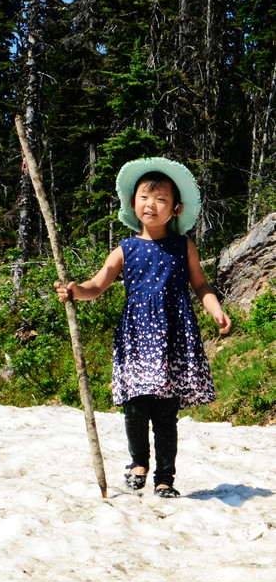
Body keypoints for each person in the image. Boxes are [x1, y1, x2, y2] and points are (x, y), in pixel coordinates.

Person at [55, 157, 231, 498]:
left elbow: (200, 285)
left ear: (176, 208)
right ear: (133, 204)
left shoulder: (183, 246)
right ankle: (138, 462)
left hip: (173, 338)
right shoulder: (125, 249)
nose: (151, 205)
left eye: (161, 199)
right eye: (144, 198)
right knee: (136, 405)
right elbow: (97, 284)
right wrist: (76, 291)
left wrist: (216, 309)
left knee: (166, 412)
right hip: (137, 338)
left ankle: (165, 478)